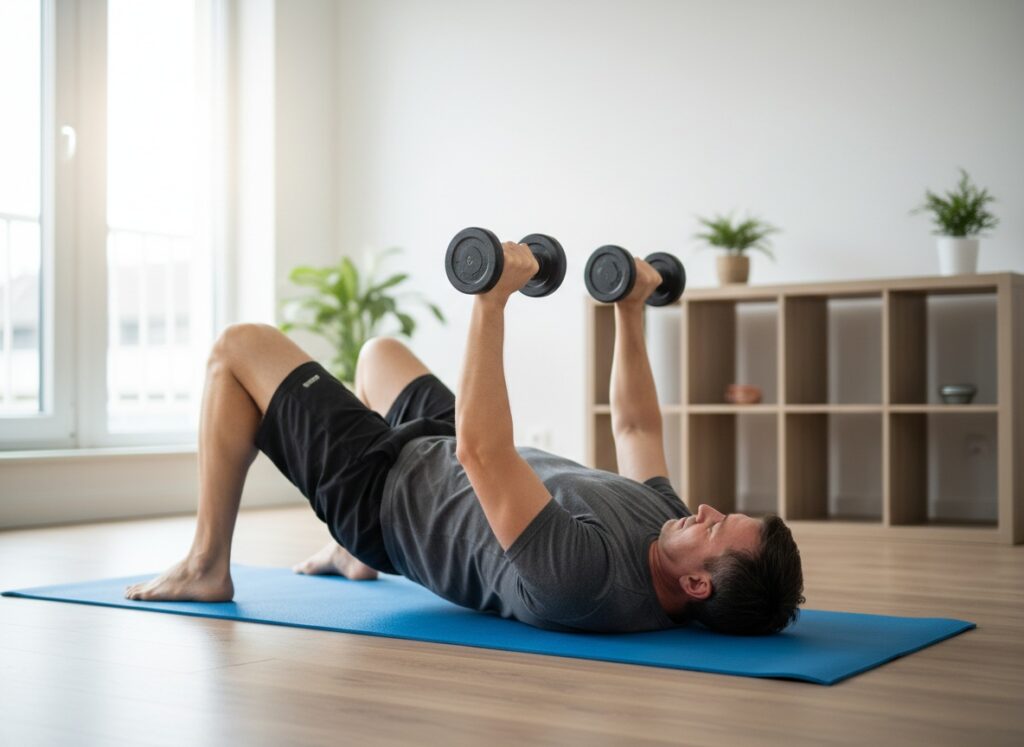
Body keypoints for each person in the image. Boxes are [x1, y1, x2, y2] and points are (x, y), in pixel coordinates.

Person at [125, 240, 804, 635]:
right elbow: (634, 425)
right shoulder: (668, 528)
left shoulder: (587, 579)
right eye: (723, 515)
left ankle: (207, 563)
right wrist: (628, 309)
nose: (707, 510)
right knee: (378, 354)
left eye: (717, 530)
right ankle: (343, 558)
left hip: (386, 498)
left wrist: (491, 299)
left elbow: (484, 452)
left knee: (237, 347)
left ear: (695, 584)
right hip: (442, 453)